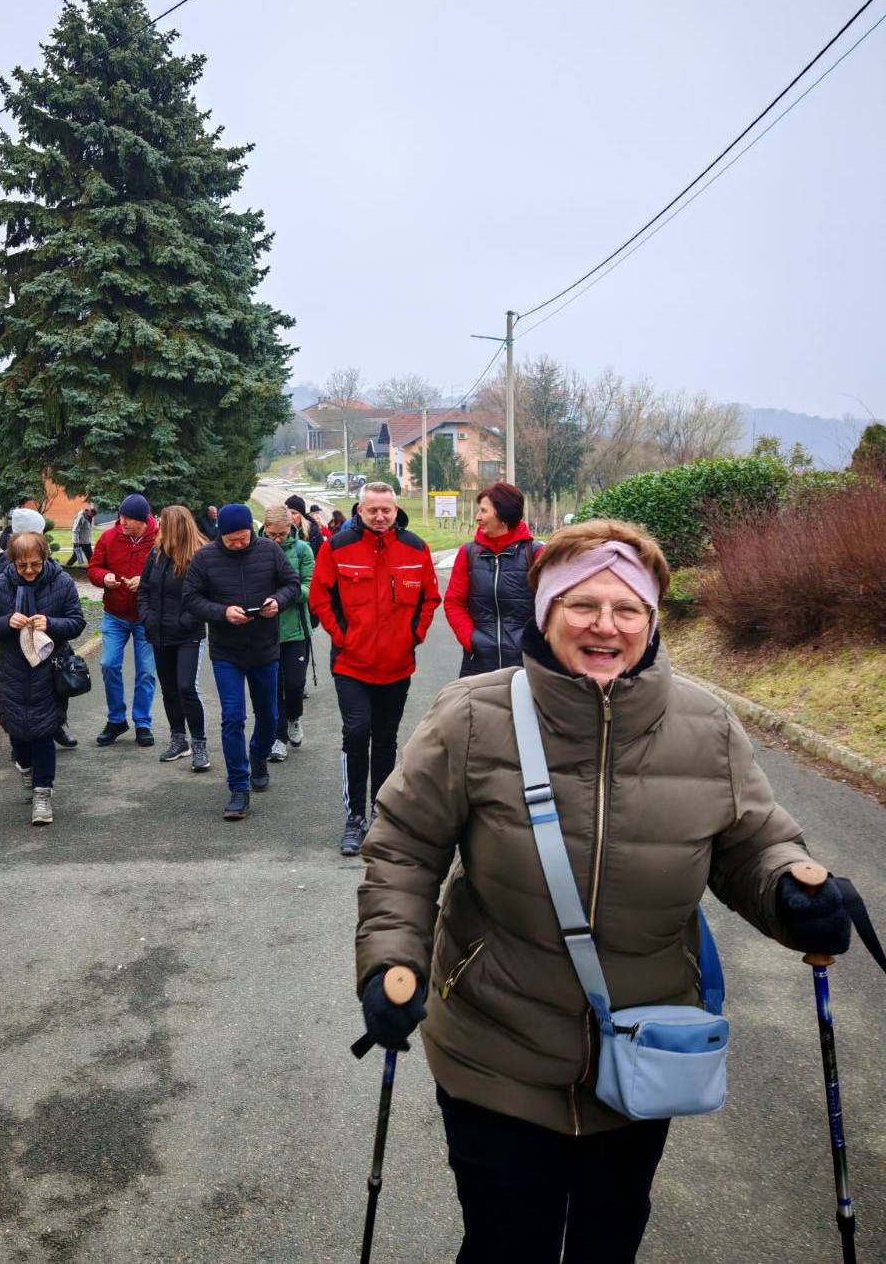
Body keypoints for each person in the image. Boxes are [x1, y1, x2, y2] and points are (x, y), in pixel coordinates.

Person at [354, 518, 862, 1263]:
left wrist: (793, 893)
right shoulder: (472, 716)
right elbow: (403, 849)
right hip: (497, 1056)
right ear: (547, 613)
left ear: (652, 621)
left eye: (628, 609)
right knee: (507, 1246)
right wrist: (389, 959)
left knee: (609, 1243)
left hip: (645, 1051)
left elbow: (755, 842)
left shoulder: (707, 726)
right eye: (582, 605)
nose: (605, 625)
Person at [309, 481, 441, 855]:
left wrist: (415, 634)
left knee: (385, 739)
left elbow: (430, 598)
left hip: (398, 664)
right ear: (360, 511)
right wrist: (342, 637)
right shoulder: (338, 547)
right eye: (373, 510)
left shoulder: (416, 549)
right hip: (351, 662)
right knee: (357, 731)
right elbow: (320, 597)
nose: (381, 516)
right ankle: (354, 818)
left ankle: (381, 815)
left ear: (396, 510)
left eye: (387, 510)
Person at [182, 503, 300, 821]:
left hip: (264, 649)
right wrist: (222, 613)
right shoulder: (205, 558)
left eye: (244, 537)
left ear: (252, 530)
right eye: (232, 539)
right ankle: (238, 787)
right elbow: (191, 598)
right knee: (232, 718)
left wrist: (277, 601)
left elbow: (291, 584)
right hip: (227, 653)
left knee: (268, 715)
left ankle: (258, 757)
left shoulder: (269, 551)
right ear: (221, 534)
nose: (238, 543)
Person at [0, 531, 85, 825]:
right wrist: (5, 622)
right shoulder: (0, 585)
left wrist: (50, 623)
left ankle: (42, 794)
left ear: (45, 558)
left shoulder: (61, 582)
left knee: (43, 733)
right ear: (12, 562)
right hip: (12, 671)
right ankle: (24, 768)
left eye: (35, 565)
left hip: (49, 671)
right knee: (18, 735)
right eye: (22, 565)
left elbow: (77, 623)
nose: (29, 571)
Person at [138, 505, 210, 772]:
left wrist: (186, 621)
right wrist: (147, 616)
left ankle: (199, 742)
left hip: (187, 634)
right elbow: (144, 589)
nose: (159, 528)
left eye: (163, 523)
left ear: (176, 526)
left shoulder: (199, 554)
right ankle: (178, 738)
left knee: (186, 687)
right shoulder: (156, 553)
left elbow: (205, 595)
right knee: (168, 688)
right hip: (158, 632)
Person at [443, 482, 542, 677]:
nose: (477, 517)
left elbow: (551, 607)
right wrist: (471, 638)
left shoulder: (536, 554)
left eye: (483, 511)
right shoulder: (468, 553)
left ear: (503, 515)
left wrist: (533, 642)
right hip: (478, 663)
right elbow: (453, 602)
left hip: (526, 665)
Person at [88, 494, 159, 747]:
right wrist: (104, 576)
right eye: (121, 516)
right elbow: (93, 568)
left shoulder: (159, 540)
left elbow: (170, 573)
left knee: (146, 672)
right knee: (108, 664)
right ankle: (116, 719)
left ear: (143, 520)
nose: (122, 521)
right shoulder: (109, 537)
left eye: (128, 518)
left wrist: (146, 582)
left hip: (146, 616)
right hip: (115, 614)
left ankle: (143, 722)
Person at [261, 505, 314, 762]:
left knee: (294, 685)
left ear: (290, 529)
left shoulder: (303, 549)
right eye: (272, 535)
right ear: (265, 529)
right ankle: (278, 738)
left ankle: (294, 717)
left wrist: (283, 596)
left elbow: (308, 588)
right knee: (274, 688)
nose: (277, 540)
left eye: (282, 534)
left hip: (295, 631)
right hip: (263, 632)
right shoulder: (255, 549)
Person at [70, 498, 96, 565]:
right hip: (79, 542)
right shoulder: (81, 517)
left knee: (90, 556)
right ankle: (67, 567)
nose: (92, 517)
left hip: (86, 541)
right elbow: (75, 529)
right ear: (88, 512)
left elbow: (88, 530)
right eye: (92, 515)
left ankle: (92, 569)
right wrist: (76, 542)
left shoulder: (90, 517)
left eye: (93, 516)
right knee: (75, 557)